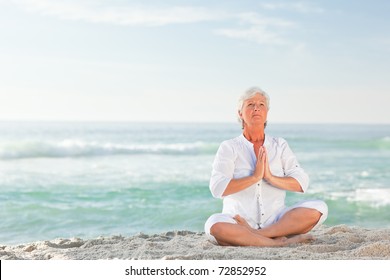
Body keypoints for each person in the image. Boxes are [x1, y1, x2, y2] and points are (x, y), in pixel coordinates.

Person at [205, 87, 328, 246]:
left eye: (261, 104)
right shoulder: (229, 147)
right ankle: (277, 243)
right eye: (250, 104)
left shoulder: (279, 145)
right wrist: (254, 177)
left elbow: (301, 182)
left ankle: (257, 235)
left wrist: (269, 177)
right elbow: (217, 188)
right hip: (237, 221)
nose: (256, 107)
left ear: (266, 113)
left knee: (319, 209)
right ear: (240, 113)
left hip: (276, 221)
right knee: (214, 226)